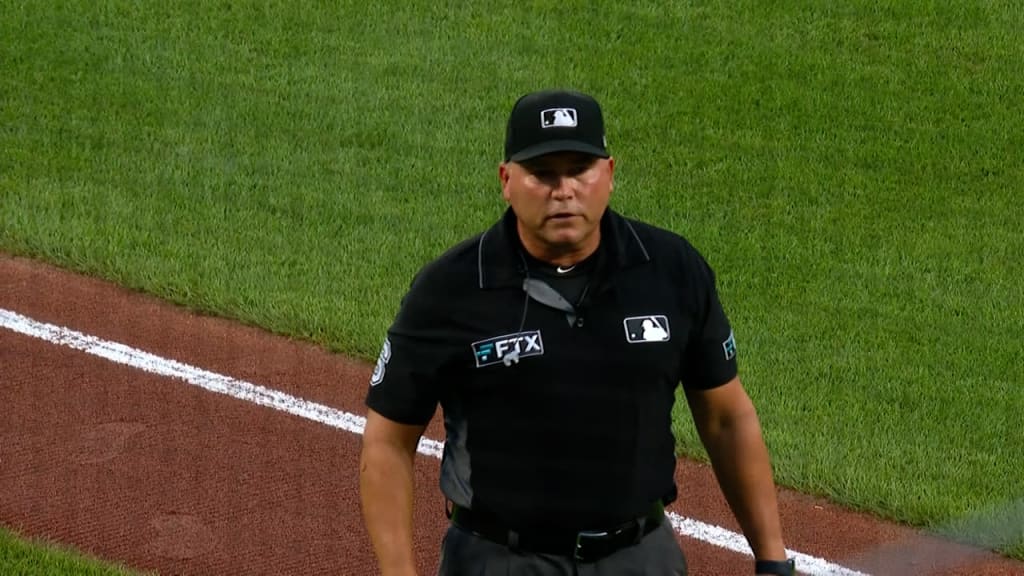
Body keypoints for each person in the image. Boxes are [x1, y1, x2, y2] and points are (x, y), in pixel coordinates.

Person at [359, 89, 795, 576]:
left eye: (579, 170)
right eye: (542, 173)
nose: (563, 189)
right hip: (500, 561)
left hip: (640, 558)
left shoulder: (671, 270)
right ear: (506, 180)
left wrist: (772, 559)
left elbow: (726, 419)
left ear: (609, 173)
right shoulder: (451, 290)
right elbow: (388, 441)